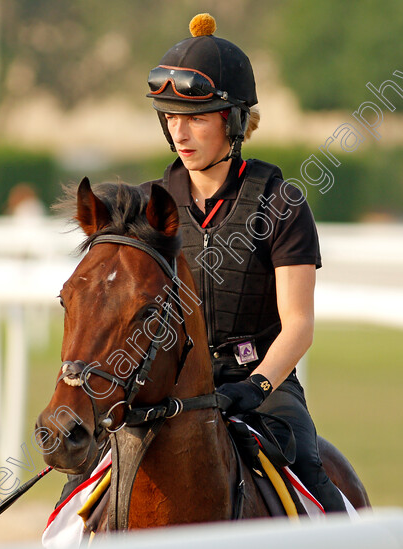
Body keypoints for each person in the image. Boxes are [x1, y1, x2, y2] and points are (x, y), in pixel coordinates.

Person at [139, 13, 347, 513]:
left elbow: (298, 325)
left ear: (232, 121)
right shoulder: (149, 207)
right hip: (173, 380)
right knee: (88, 475)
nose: (180, 133)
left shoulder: (282, 204)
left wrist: (255, 387)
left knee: (314, 477)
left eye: (196, 118)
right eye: (171, 118)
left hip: (261, 384)